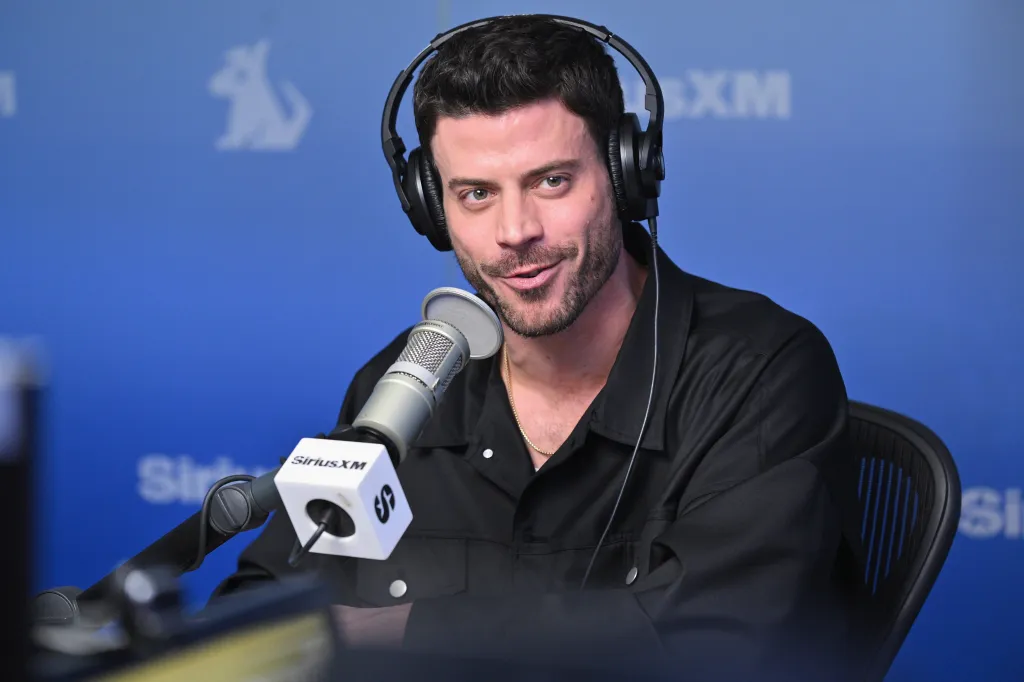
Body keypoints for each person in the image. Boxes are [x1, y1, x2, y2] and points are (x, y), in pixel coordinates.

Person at [211, 14, 865, 681]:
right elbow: (260, 611)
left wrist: (407, 627)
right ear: (432, 210)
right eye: (475, 194)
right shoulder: (405, 384)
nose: (515, 231)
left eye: (551, 181)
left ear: (624, 171)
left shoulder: (758, 373)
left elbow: (719, 645)